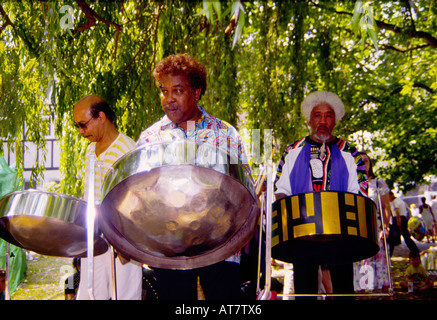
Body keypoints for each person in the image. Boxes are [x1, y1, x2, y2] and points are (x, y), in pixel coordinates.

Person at [137, 53, 249, 300]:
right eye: (163, 91)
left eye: (177, 90)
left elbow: (244, 191)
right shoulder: (150, 138)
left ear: (196, 93)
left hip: (221, 244)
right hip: (170, 246)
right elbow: (140, 197)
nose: (168, 99)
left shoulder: (225, 134)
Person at [275, 91, 368, 298]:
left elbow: (359, 193)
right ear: (309, 119)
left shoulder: (351, 154)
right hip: (302, 235)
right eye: (317, 115)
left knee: (344, 290)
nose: (323, 121)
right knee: (304, 290)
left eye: (328, 116)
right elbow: (281, 191)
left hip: (341, 234)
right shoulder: (292, 151)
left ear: (336, 120)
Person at [73, 95, 142, 300]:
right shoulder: (89, 151)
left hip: (122, 234)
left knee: (125, 295)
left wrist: (125, 244)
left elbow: (137, 200)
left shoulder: (127, 149)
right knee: (89, 294)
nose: (81, 131)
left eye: (83, 125)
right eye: (78, 126)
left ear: (101, 117)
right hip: (94, 234)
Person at [353, 153, 392, 294]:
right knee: (360, 266)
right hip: (358, 230)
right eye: (360, 161)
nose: (364, 163)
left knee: (381, 265)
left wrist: (386, 227)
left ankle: (387, 295)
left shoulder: (378, 182)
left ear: (370, 163)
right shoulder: (352, 183)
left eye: (366, 160)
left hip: (376, 228)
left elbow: (386, 207)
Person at [389, 192, 419, 256]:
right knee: (406, 237)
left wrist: (398, 223)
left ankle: (414, 250)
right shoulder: (400, 200)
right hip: (403, 218)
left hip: (398, 219)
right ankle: (415, 250)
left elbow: (397, 213)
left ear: (391, 195)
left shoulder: (395, 202)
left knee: (395, 237)